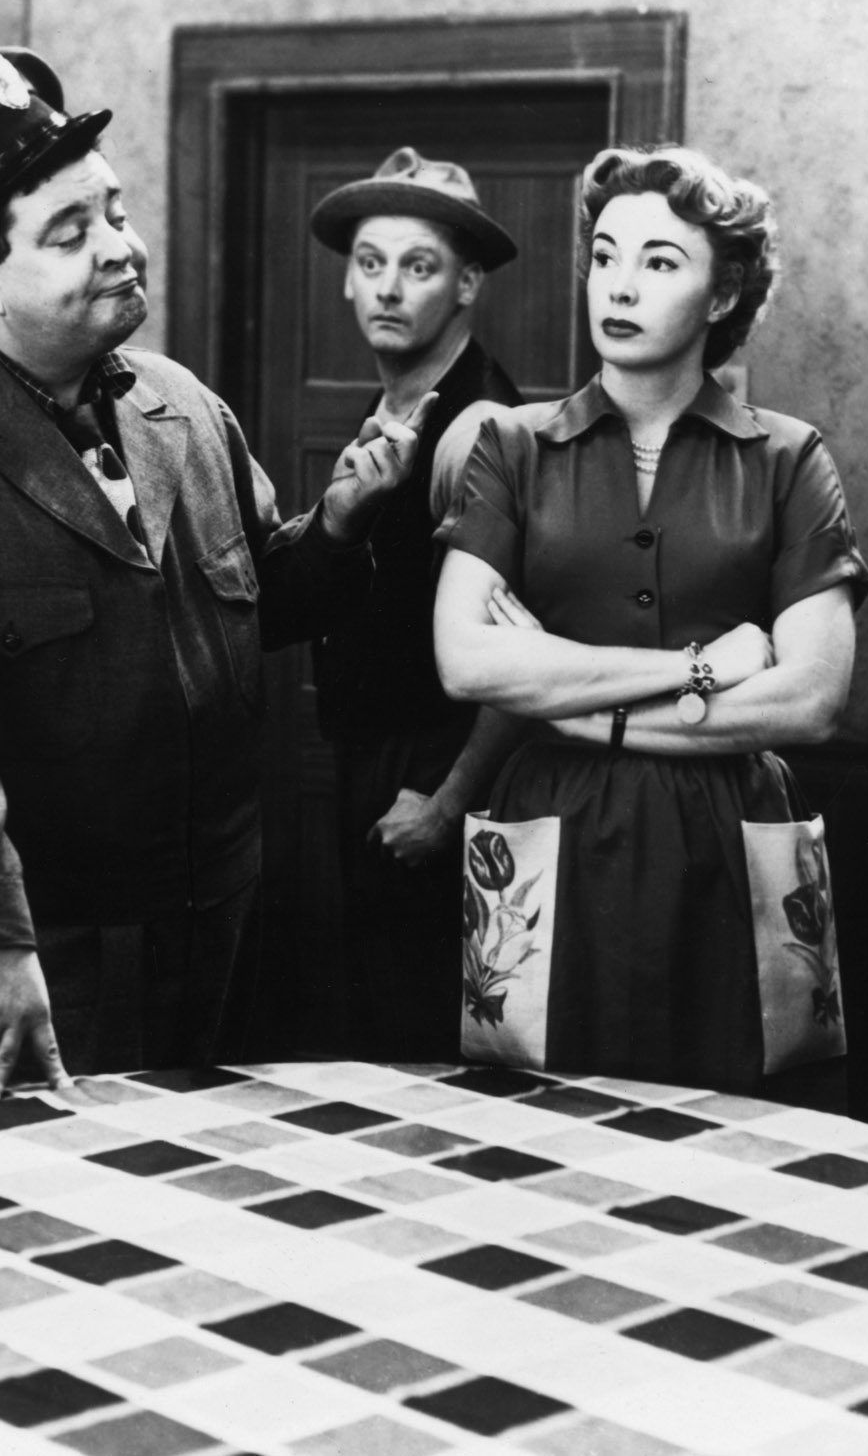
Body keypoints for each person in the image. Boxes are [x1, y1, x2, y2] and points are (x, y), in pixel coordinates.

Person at [0, 47, 428, 1104]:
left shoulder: (180, 405)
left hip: (210, 920)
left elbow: (254, 604)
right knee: (20, 1201)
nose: (119, 247)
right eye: (70, 233)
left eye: (116, 212)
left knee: (203, 1195)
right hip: (33, 948)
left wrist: (334, 527)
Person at [433, 145, 868, 1095]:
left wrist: (574, 697)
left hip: (729, 829)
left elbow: (812, 700)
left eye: (660, 262)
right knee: (534, 1110)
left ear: (724, 295)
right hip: (550, 823)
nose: (619, 285)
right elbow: (465, 661)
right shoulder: (511, 445)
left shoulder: (790, 458)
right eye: (604, 255)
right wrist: (701, 668)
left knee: (743, 1115)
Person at [305, 149, 526, 1062]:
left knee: (428, 1051)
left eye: (419, 266)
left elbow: (521, 649)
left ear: (467, 284)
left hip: (436, 776)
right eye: (370, 262)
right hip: (373, 762)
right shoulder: (397, 401)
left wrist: (446, 800)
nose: (388, 288)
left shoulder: (479, 423)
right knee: (375, 1035)